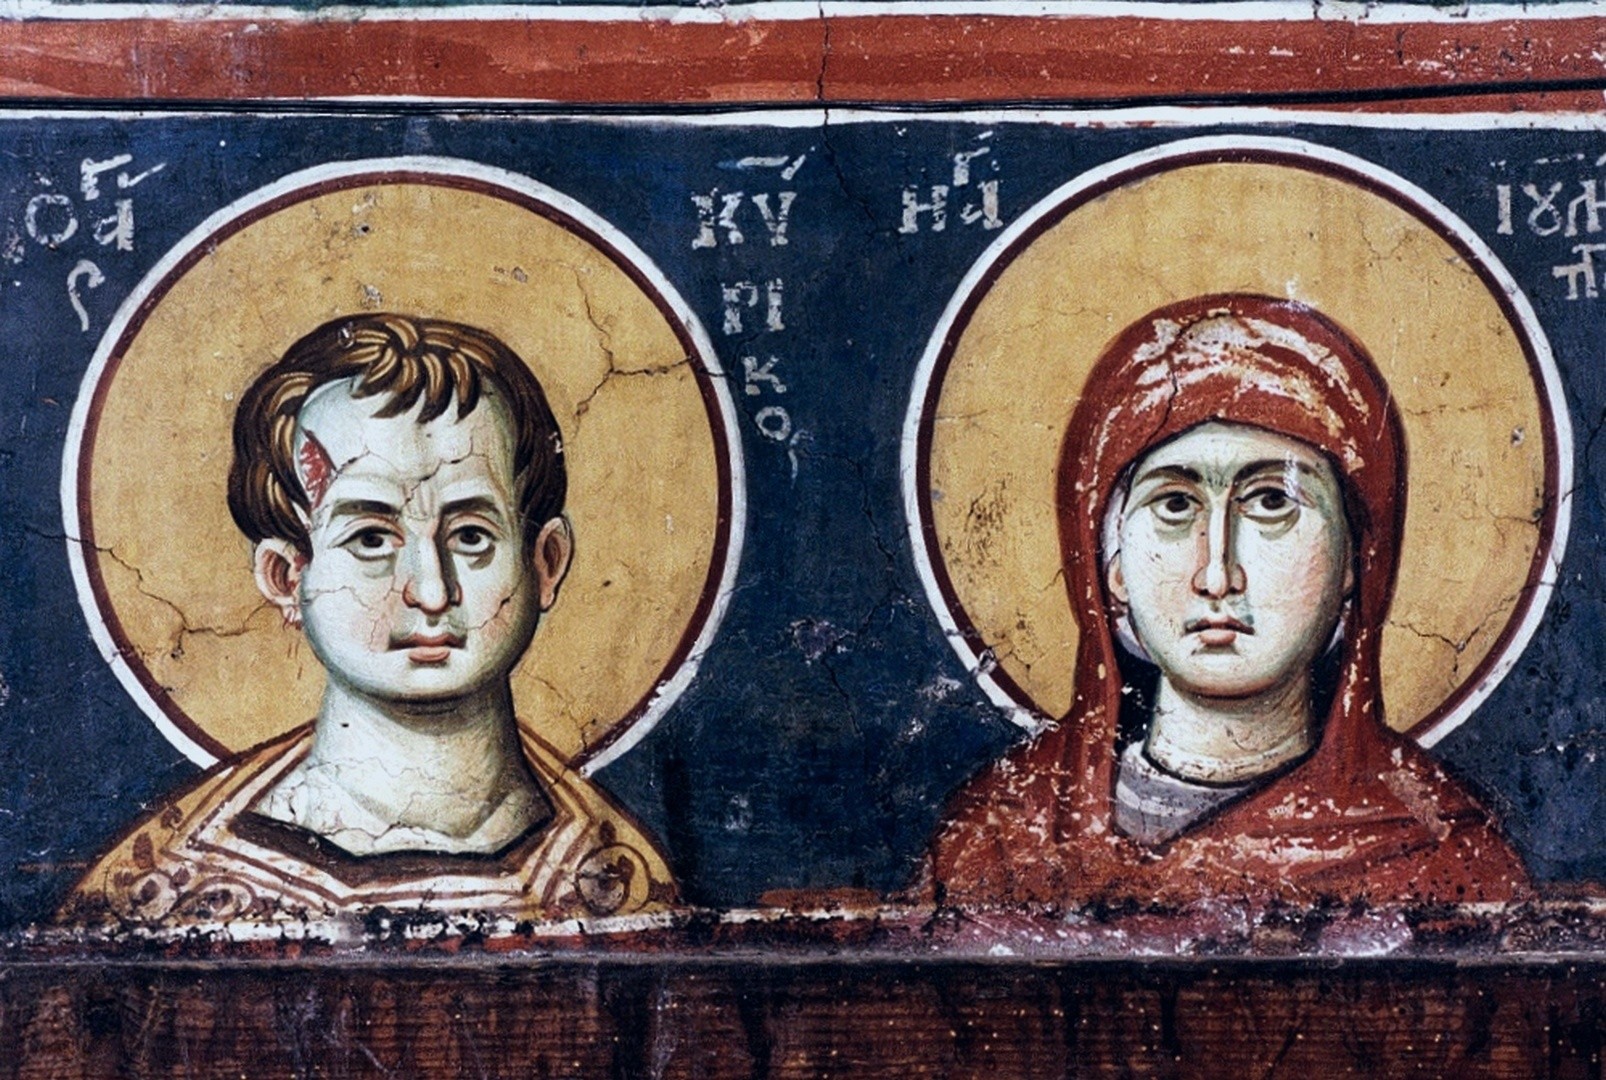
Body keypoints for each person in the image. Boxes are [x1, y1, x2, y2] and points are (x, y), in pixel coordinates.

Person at [62, 314, 677, 929]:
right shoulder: (164, 891)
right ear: (285, 576)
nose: (431, 591)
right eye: (371, 539)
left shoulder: (623, 885)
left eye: (470, 535)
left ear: (545, 563)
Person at [928, 294, 1528, 908]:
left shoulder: (1440, 854)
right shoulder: (999, 840)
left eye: (1272, 501)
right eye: (1174, 505)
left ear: (1356, 562)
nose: (1217, 574)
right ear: (1112, 568)